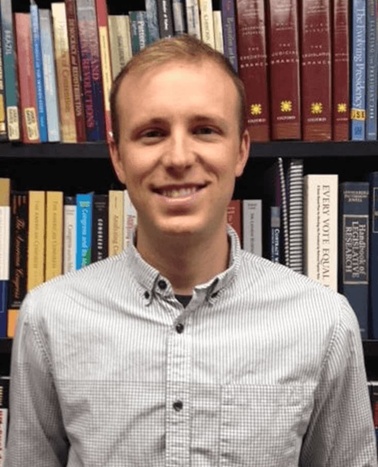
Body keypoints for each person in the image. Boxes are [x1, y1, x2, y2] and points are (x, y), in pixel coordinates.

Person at [4, 34, 377, 467]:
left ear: (240, 150)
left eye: (204, 130)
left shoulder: (323, 322)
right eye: (152, 133)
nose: (179, 157)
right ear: (118, 157)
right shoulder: (50, 317)